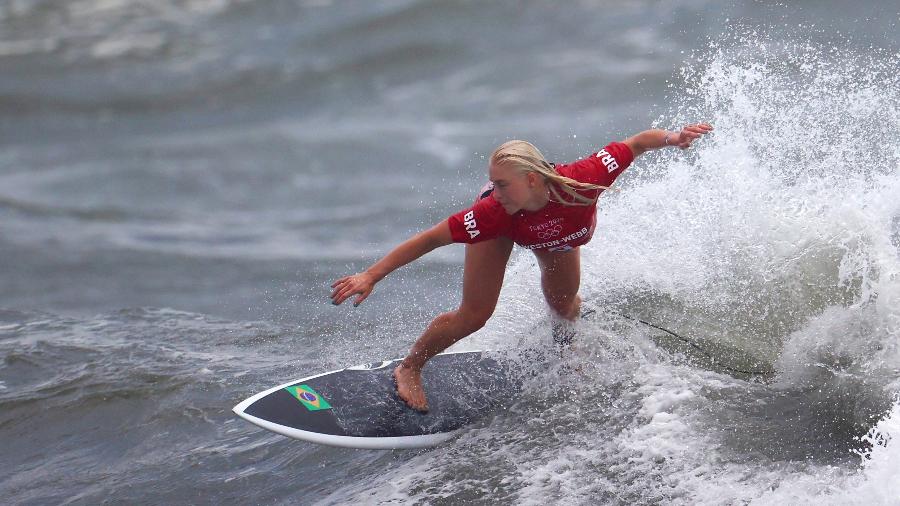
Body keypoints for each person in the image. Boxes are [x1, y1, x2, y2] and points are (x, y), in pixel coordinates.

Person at [330, 123, 713, 412]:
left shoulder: (586, 177)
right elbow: (430, 238)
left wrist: (673, 139)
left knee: (565, 305)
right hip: (508, 231)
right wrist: (371, 275)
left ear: (532, 179)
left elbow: (637, 143)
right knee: (475, 315)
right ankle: (410, 367)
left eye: (502, 184)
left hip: (556, 238)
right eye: (492, 184)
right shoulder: (493, 211)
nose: (494, 192)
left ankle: (565, 350)